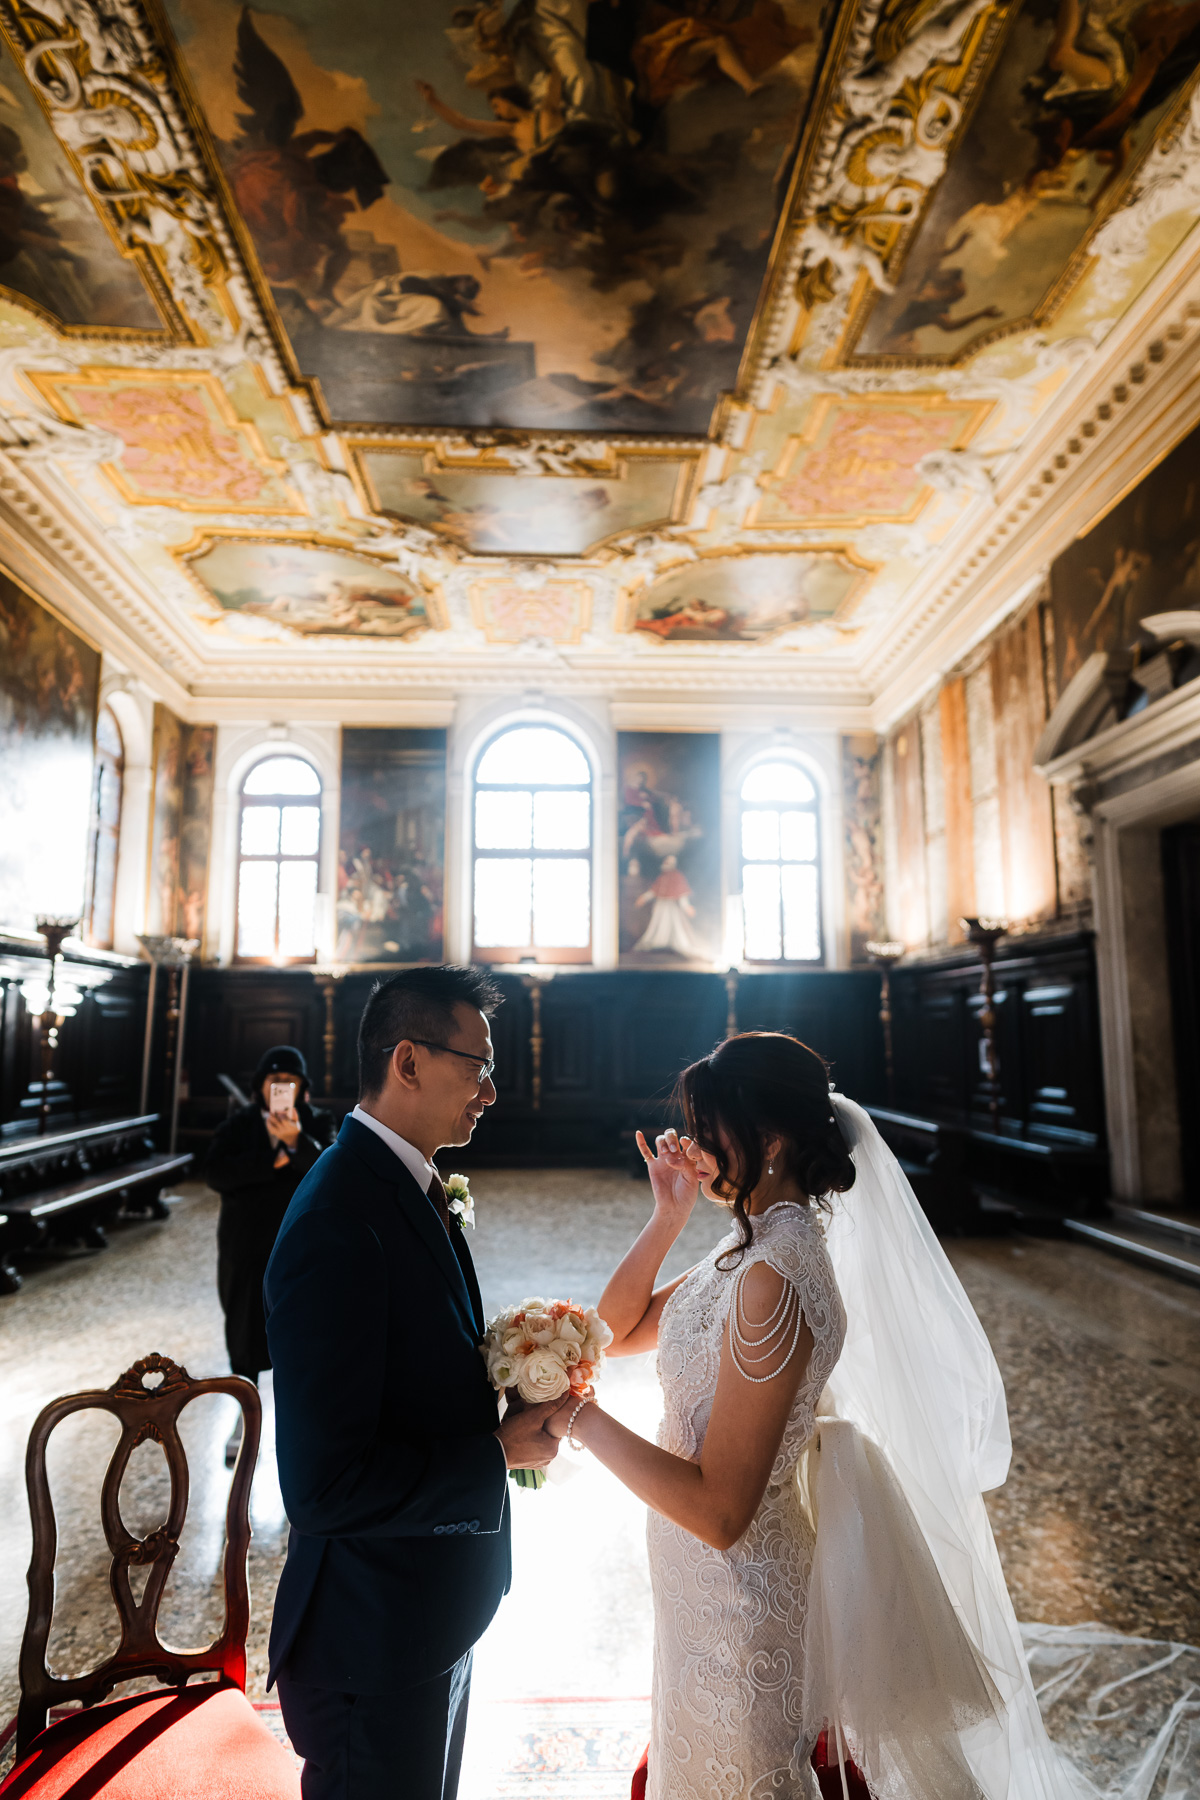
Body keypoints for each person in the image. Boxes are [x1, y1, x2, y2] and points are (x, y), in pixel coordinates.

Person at [546, 1031, 1088, 1800]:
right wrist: (667, 1214)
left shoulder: (775, 1274)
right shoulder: (751, 1246)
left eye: (708, 1127)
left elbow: (722, 1509)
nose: (692, 1145)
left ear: (766, 1139)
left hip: (739, 1602)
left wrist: (580, 1421)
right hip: (701, 1592)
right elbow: (619, 1330)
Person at [264, 966, 563, 1800]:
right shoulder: (339, 1217)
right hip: (373, 1643)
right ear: (408, 1061)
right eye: (478, 1067)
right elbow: (324, 1487)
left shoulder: (401, 1181)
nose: (491, 1092)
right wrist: (492, 1453)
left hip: (423, 1615)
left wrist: (505, 1381)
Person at [204, 1045, 335, 1466]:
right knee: (244, 1331)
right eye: (274, 1083)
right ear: (260, 1086)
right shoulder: (239, 1125)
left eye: (290, 1083)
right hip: (246, 1248)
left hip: (302, 1248)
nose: (282, 1090)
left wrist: (297, 1144)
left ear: (302, 1088)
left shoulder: (317, 1122)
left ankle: (297, 1424)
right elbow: (217, 1174)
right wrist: (275, 1159)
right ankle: (245, 1416)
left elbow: (332, 1170)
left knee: (301, 1330)